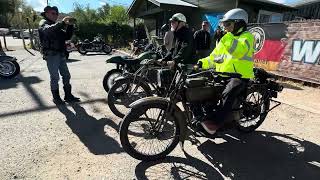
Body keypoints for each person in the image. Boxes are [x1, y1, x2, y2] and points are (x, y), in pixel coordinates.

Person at [197, 8, 255, 134]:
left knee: (229, 92)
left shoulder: (247, 37)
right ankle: (206, 115)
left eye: (228, 24)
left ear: (239, 23)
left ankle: (216, 123)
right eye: (224, 24)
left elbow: (239, 51)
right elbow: (214, 57)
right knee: (204, 89)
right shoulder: (226, 38)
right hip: (222, 74)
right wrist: (202, 62)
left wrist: (225, 38)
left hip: (240, 76)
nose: (225, 27)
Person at [38, 6, 80, 105]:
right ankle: (56, 98)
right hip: (51, 55)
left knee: (66, 75)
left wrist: (70, 25)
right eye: (53, 13)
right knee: (55, 77)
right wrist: (62, 23)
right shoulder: (43, 23)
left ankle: (68, 95)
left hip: (60, 53)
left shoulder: (55, 25)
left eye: (56, 14)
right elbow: (47, 31)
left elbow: (66, 36)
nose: (55, 15)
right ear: (46, 13)